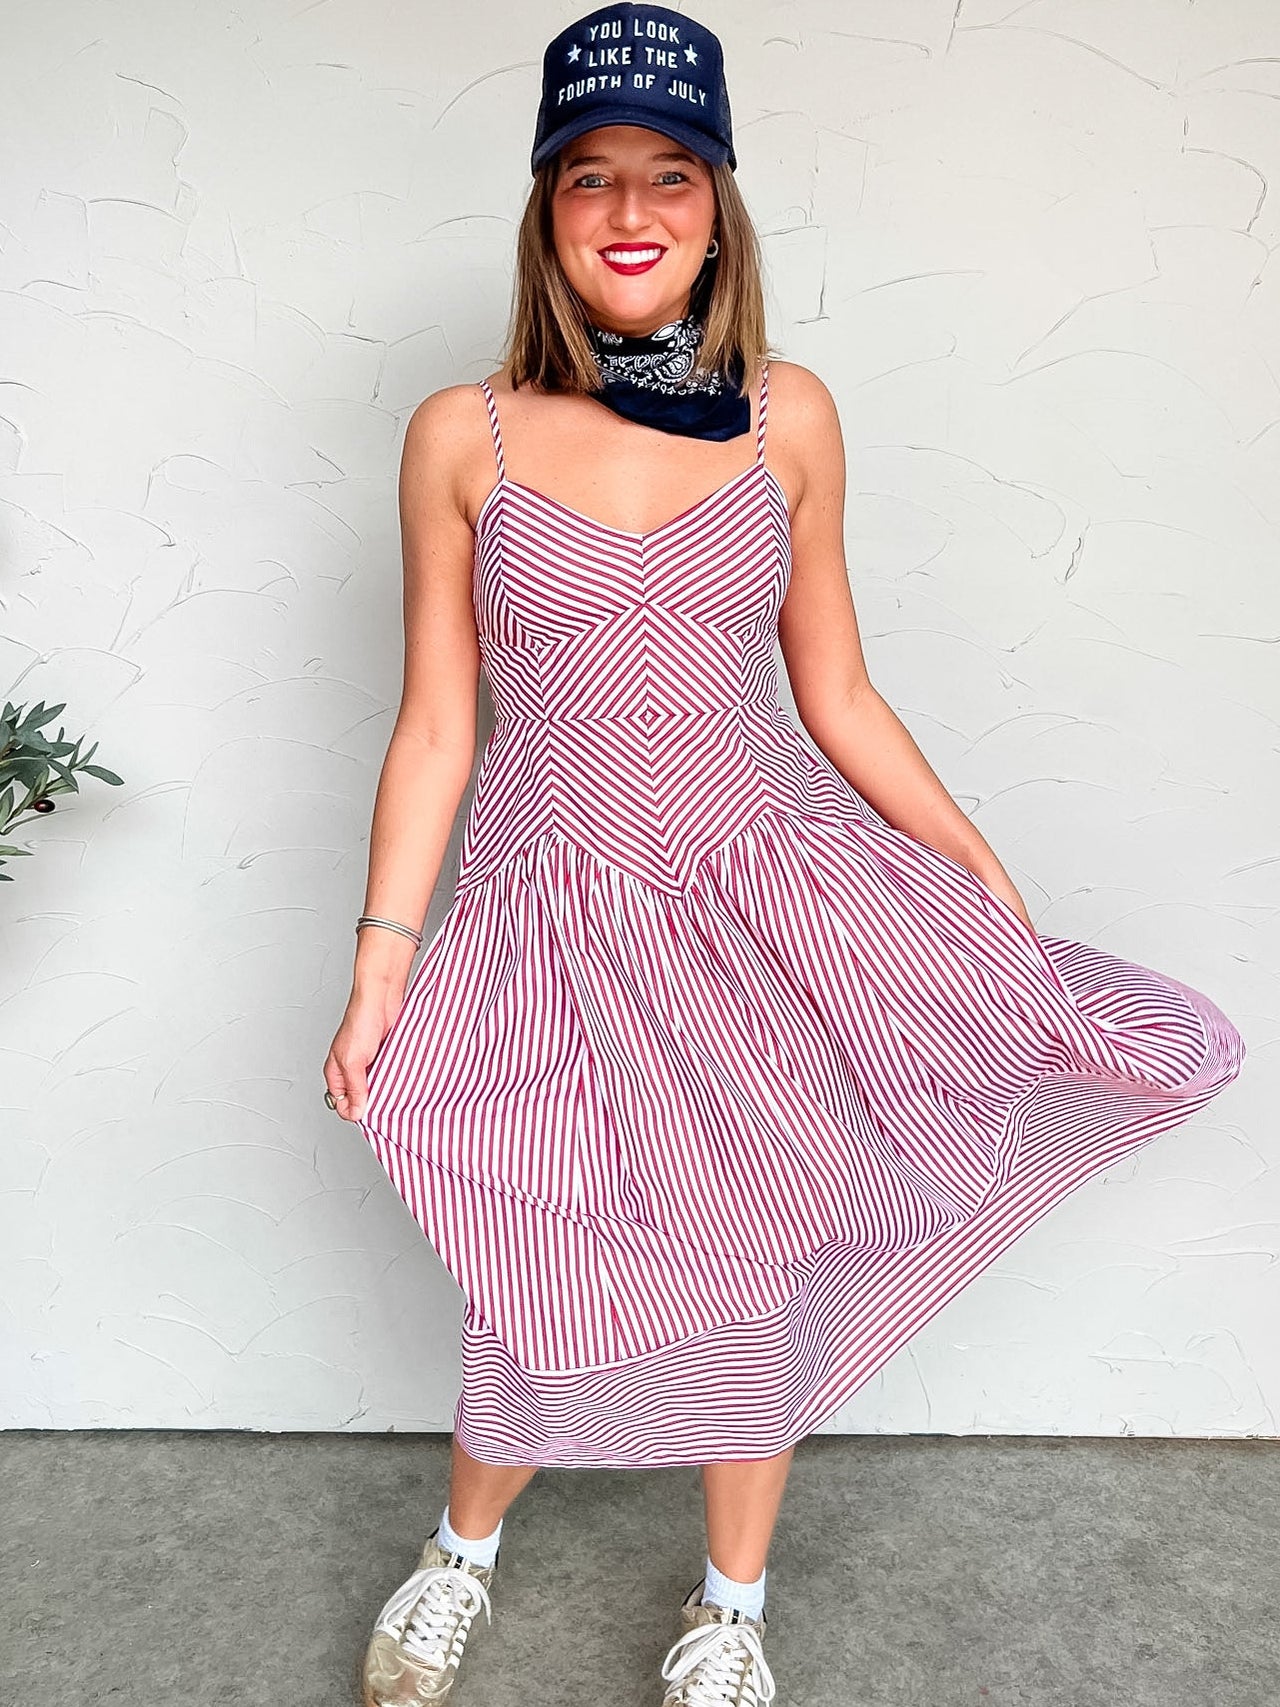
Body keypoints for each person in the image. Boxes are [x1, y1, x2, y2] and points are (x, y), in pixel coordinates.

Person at [322, 6, 1248, 1704]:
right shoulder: (466, 435)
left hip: (763, 903)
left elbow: (837, 688)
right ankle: (459, 1558)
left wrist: (968, 858)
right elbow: (437, 725)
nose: (630, 210)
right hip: (560, 922)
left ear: (719, 206)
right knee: (540, 1261)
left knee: (760, 1261)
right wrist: (383, 964)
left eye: (670, 173)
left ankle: (729, 1609)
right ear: (545, 213)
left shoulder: (790, 417)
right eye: (590, 176)